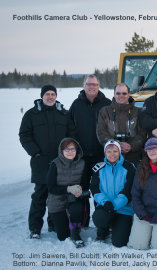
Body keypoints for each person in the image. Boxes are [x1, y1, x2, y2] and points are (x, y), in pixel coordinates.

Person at [19, 84, 74, 239]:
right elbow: (24, 135)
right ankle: (35, 228)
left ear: (56, 96)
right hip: (40, 161)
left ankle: (54, 224)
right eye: (47, 94)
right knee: (40, 195)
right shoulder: (31, 114)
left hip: (60, 161)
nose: (50, 97)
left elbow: (72, 135)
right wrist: (34, 152)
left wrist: (68, 153)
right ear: (42, 96)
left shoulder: (63, 113)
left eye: (53, 94)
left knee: (56, 194)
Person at [70, 75, 111, 226]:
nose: (91, 87)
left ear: (99, 86)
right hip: (82, 157)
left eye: (94, 84)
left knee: (101, 190)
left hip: (102, 156)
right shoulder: (76, 104)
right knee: (82, 190)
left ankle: (102, 223)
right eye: (89, 84)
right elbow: (70, 127)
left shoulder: (107, 104)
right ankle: (82, 222)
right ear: (84, 86)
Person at [127, 138, 157, 251]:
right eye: (149, 149)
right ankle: (147, 234)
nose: (152, 151)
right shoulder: (141, 168)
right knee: (137, 246)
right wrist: (142, 214)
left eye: (155, 148)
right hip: (144, 215)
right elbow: (135, 194)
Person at [90, 140, 135, 247]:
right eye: (109, 151)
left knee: (119, 243)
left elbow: (128, 190)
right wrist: (105, 203)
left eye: (115, 151)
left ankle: (119, 225)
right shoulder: (99, 168)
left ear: (120, 152)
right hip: (105, 207)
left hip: (123, 208)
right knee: (100, 218)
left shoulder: (129, 167)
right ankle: (103, 229)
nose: (112, 154)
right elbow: (95, 188)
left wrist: (113, 205)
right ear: (105, 153)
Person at [47, 138, 88, 248]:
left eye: (72, 149)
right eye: (66, 149)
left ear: (77, 150)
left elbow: (85, 183)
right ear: (61, 151)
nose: (70, 151)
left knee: (77, 209)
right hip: (57, 199)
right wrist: (68, 189)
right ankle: (54, 221)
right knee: (63, 236)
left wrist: (79, 189)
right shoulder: (55, 164)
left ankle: (76, 234)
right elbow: (51, 187)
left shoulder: (83, 163)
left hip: (74, 198)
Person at [97, 83, 146, 165]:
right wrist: (116, 145)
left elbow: (142, 134)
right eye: (118, 93)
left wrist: (131, 146)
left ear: (129, 95)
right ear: (114, 94)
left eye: (124, 93)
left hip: (134, 157)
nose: (121, 96)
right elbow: (101, 133)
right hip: (111, 158)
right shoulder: (104, 111)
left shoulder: (138, 112)